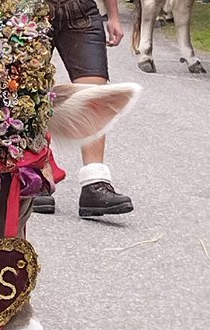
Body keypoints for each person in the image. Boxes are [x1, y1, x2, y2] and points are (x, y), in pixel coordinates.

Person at [32, 0, 134, 216]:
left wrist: (114, 16)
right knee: (32, 91)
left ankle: (95, 183)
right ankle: (37, 175)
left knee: (94, 96)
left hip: (81, 13)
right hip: (32, 11)